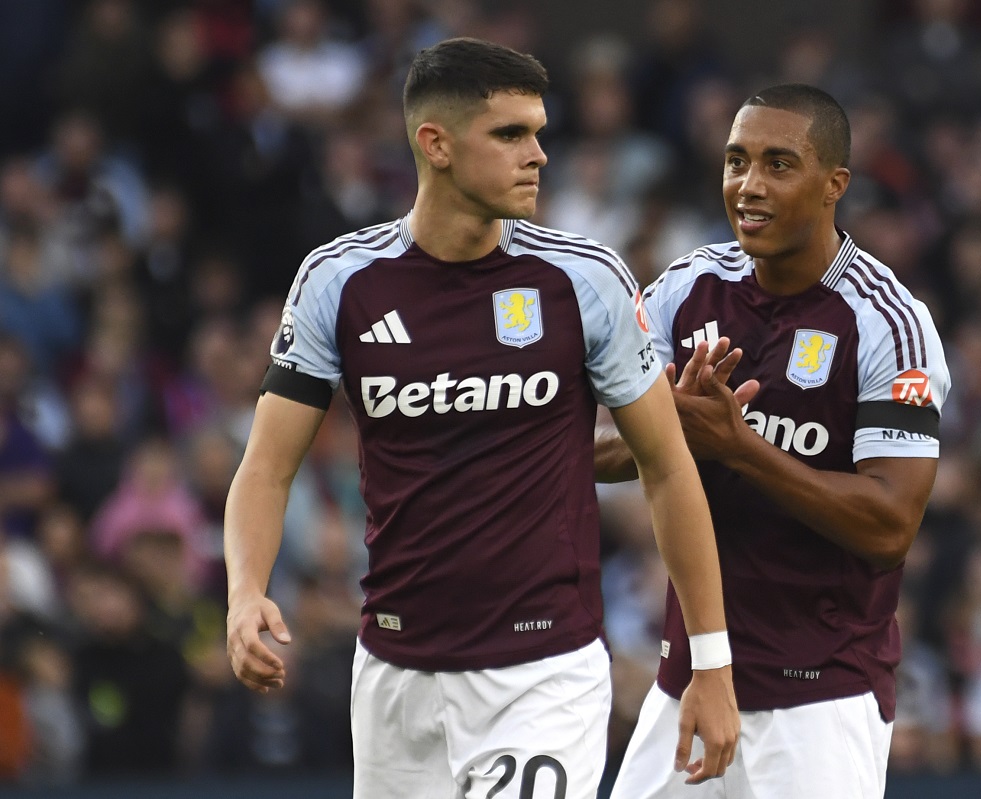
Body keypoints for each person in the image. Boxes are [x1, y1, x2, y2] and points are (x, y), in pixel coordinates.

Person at [223, 37, 738, 799]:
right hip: (394, 678)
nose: (539, 155)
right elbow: (266, 465)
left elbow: (666, 466)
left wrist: (713, 663)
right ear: (435, 144)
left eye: (539, 132)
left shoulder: (582, 280)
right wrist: (243, 590)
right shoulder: (341, 281)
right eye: (510, 135)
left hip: (542, 675)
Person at [598, 83, 951, 798]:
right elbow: (584, 442)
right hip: (692, 677)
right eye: (736, 161)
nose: (748, 186)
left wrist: (738, 445)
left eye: (778, 164)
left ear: (834, 185)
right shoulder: (684, 289)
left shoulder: (889, 322)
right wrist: (665, 426)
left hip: (819, 696)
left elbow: (890, 523)